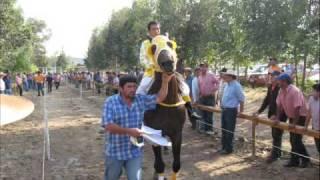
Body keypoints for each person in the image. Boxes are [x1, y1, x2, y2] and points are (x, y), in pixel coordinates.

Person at [101, 74, 173, 180]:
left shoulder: (140, 100)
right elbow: (108, 126)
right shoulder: (110, 102)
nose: (133, 89)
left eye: (135, 86)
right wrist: (129, 131)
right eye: (129, 87)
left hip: (134, 152)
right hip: (115, 152)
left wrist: (166, 81)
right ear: (121, 88)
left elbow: (160, 97)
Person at [274, 73, 310, 168]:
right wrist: (277, 117)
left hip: (300, 117)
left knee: (296, 140)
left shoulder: (295, 91)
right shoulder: (281, 91)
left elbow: (297, 108)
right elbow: (279, 105)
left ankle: (304, 160)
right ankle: (296, 160)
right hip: (291, 116)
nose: (278, 83)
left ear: (285, 81)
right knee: (293, 139)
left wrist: (294, 123)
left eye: (280, 81)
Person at [253, 71, 285, 163]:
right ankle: (277, 152)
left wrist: (276, 115)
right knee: (274, 134)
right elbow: (266, 100)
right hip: (272, 114)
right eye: (271, 76)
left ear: (279, 78)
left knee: (277, 134)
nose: (271, 78)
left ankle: (275, 155)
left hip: (280, 114)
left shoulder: (281, 88)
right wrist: (258, 111)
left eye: (274, 77)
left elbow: (282, 104)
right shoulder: (271, 87)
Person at [220, 70, 245, 155]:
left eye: (226, 76)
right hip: (224, 109)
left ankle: (228, 149)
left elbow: (241, 99)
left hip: (231, 110)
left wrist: (241, 111)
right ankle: (223, 147)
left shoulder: (236, 86)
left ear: (231, 77)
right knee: (224, 129)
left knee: (229, 130)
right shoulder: (227, 85)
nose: (224, 77)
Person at [198, 62, 219, 133]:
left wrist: (214, 90)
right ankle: (205, 129)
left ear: (207, 68)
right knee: (203, 114)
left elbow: (218, 82)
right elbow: (200, 86)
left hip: (210, 97)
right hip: (202, 97)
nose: (202, 68)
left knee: (209, 114)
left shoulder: (211, 75)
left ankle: (209, 130)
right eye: (201, 67)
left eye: (204, 67)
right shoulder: (199, 76)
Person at [305, 83, 320, 153]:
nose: (312, 92)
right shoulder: (311, 99)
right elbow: (308, 114)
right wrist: (306, 126)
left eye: (314, 91)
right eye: (312, 91)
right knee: (318, 147)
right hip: (315, 127)